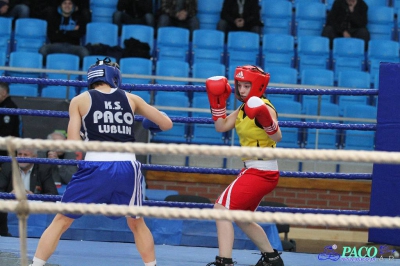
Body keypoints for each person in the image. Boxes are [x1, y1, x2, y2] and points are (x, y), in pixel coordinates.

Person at [28, 57, 173, 266]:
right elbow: (166, 123)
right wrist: (150, 123)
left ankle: (36, 265)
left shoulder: (79, 100)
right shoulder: (132, 99)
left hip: (95, 166)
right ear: (114, 76)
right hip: (128, 167)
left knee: (61, 220)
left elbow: (72, 143)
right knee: (137, 223)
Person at [204, 65, 284, 266]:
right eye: (240, 85)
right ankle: (271, 258)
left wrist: (264, 118)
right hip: (255, 170)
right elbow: (221, 126)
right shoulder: (242, 109)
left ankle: (225, 261)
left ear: (257, 86)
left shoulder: (265, 107)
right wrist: (217, 101)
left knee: (221, 209)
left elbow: (277, 136)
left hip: (261, 171)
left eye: (247, 85)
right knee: (241, 217)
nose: (241, 90)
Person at [0, 148, 59, 237]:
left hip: (34, 211)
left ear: (34, 157)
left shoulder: (43, 168)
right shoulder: (8, 166)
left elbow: (53, 194)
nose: (22, 157)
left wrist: (34, 197)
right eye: (20, 154)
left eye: (25, 155)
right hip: (11, 208)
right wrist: (9, 195)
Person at [39, 0, 90, 66]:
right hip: (56, 45)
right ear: (60, 6)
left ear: (73, 6)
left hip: (73, 46)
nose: (67, 6)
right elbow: (52, 36)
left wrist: (60, 32)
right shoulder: (53, 17)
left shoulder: (78, 18)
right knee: (43, 50)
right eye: (64, 3)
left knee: (84, 52)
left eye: (70, 4)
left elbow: (79, 34)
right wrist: (72, 32)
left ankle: (76, 70)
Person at [0, 82, 21, 158]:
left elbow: (6, 133)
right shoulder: (3, 106)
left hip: (6, 150)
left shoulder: (10, 107)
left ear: (4, 92)